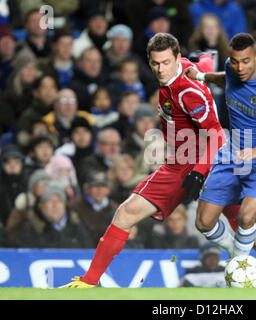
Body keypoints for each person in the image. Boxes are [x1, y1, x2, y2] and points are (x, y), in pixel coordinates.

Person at [60, 32, 227, 288]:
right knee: (126, 213)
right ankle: (88, 282)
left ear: (177, 58)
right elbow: (201, 64)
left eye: (166, 63)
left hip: (198, 159)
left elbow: (216, 134)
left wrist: (198, 170)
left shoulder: (186, 92)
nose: (161, 70)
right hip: (182, 159)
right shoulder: (182, 67)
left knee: (230, 219)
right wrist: (205, 59)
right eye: (155, 64)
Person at [182, 33, 256, 261]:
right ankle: (235, 253)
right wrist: (201, 76)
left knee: (247, 217)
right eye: (235, 61)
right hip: (232, 153)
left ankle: (240, 265)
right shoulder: (231, 68)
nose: (239, 67)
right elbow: (226, 78)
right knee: (203, 223)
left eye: (245, 61)